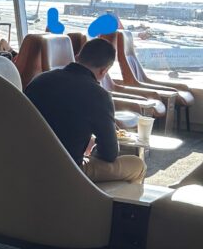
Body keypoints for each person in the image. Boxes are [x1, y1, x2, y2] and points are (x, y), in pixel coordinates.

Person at [24, 37, 145, 184]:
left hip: (27, 163)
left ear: (77, 57)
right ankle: (95, 197)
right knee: (137, 165)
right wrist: (91, 149)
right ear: (104, 71)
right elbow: (109, 154)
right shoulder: (99, 95)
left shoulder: (39, 80)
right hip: (67, 171)